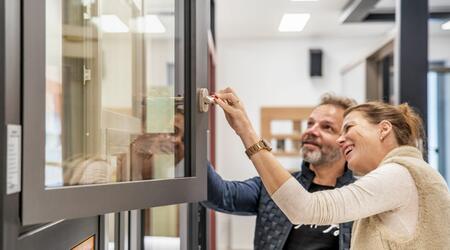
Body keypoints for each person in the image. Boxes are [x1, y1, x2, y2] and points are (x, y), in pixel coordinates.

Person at [214, 88, 450, 249]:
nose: (340, 138)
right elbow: (220, 194)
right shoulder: (406, 174)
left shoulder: (398, 174)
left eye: (347, 128)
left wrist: (245, 130)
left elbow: (302, 208)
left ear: (383, 129)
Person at [202, 94, 357, 250]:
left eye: (327, 127)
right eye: (310, 123)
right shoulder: (275, 185)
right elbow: (219, 194)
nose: (312, 131)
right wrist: (189, 141)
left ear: (346, 141)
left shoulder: (359, 197)